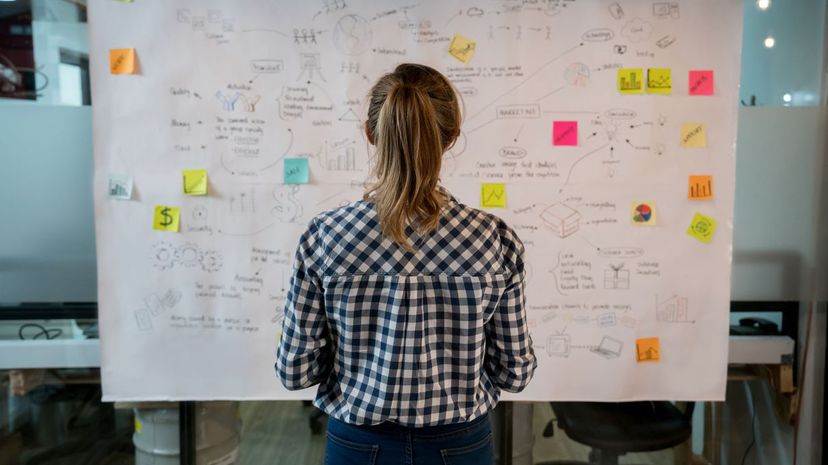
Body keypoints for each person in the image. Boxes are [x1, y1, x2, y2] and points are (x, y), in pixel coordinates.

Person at [276, 63, 536, 465]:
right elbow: (514, 374)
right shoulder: (493, 238)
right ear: (451, 137)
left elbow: (295, 371)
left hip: (358, 443)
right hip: (459, 445)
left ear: (370, 133)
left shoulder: (325, 236)